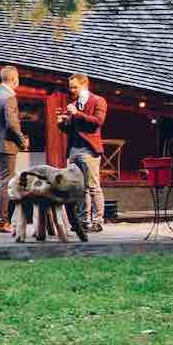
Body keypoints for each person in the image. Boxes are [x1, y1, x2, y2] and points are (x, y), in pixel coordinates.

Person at [58, 73, 107, 233]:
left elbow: (97, 122)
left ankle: (98, 221)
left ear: (85, 84)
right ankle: (83, 221)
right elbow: (72, 129)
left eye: (75, 87)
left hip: (88, 149)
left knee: (93, 186)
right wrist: (62, 123)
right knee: (79, 188)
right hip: (73, 149)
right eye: (71, 87)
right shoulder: (73, 104)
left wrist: (77, 114)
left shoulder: (98, 100)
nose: (72, 90)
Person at [0, 65, 27, 233]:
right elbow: (12, 125)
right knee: (6, 183)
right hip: (5, 144)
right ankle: (1, 221)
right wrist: (22, 141)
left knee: (4, 181)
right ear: (15, 79)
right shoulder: (9, 97)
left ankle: (1, 219)